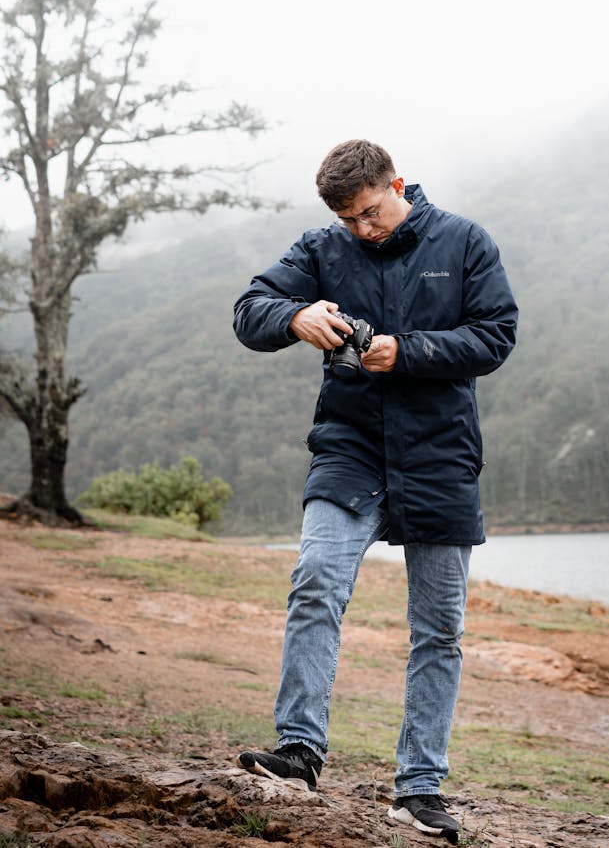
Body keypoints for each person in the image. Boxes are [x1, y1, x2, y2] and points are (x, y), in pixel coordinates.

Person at [233, 139, 518, 840]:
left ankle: (419, 788)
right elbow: (250, 307)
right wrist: (291, 317)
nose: (363, 230)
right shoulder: (322, 247)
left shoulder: (465, 239)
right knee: (315, 579)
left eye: (370, 213)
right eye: (349, 220)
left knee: (439, 630)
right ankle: (299, 750)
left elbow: (496, 334)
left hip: (441, 456)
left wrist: (410, 349)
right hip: (349, 450)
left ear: (397, 184)